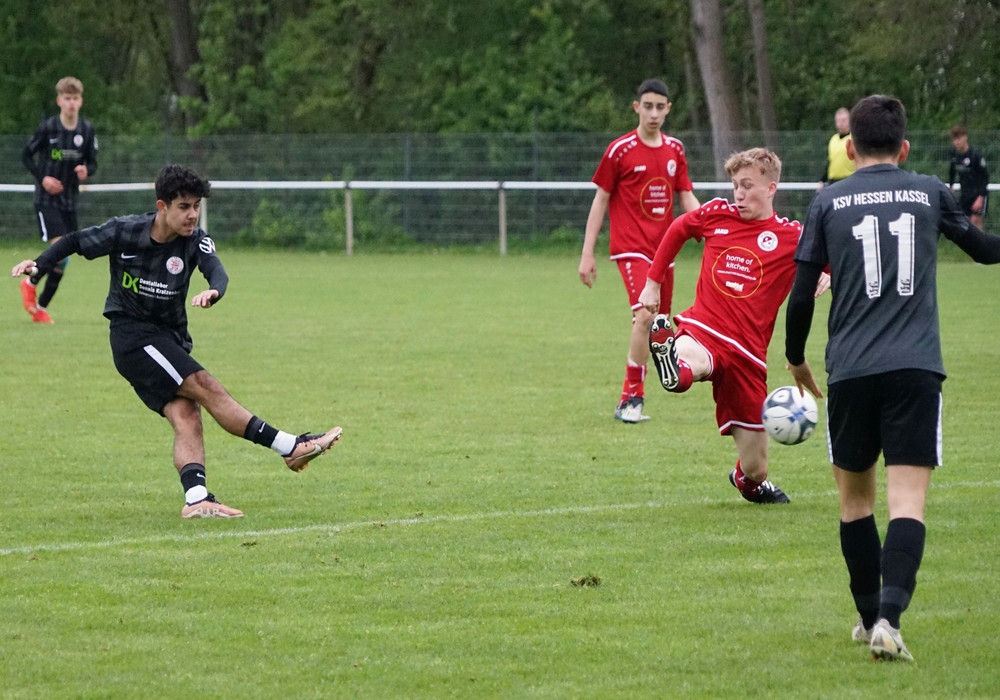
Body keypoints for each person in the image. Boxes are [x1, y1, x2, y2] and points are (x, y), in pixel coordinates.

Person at [784, 95, 1000, 662]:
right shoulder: (929, 189)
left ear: (849, 148)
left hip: (850, 370)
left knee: (855, 504)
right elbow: (982, 251)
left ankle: (866, 616)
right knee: (908, 502)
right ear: (904, 147)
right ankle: (888, 620)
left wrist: (795, 356)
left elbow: (802, 290)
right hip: (915, 368)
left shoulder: (827, 201)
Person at [11, 164, 342, 519]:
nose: (192, 214)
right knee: (206, 385)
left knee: (187, 415)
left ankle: (196, 499)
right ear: (162, 206)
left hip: (167, 339)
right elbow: (74, 241)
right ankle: (289, 446)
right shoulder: (125, 231)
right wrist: (40, 265)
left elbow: (217, 269)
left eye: (196, 206)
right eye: (184, 206)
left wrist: (215, 289)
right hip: (133, 337)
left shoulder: (195, 240)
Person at [638, 148, 827, 504]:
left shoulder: (792, 236)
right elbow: (679, 228)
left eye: (747, 186)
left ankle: (746, 483)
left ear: (771, 188)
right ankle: (672, 363)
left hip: (749, 358)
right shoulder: (716, 214)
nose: (738, 194)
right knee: (692, 361)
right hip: (705, 329)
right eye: (735, 186)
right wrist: (653, 281)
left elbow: (830, 256)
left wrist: (826, 275)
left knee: (757, 467)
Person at [578, 78, 700, 423]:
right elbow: (601, 199)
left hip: (665, 251)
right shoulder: (620, 150)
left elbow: (686, 195)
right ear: (637, 108)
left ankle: (650, 386)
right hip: (630, 248)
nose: (654, 113)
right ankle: (630, 398)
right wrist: (588, 252)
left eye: (660, 107)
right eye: (648, 106)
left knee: (659, 323)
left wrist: (710, 223)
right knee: (645, 315)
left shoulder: (675, 149)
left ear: (668, 109)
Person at [19, 76, 99, 324]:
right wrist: (43, 178)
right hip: (47, 199)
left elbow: (92, 162)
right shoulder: (49, 128)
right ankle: (30, 282)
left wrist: (87, 171)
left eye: (75, 98)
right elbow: (26, 155)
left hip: (69, 201)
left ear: (81, 101)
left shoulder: (86, 130)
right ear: (59, 101)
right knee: (61, 250)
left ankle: (40, 307)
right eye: (67, 98)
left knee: (65, 259)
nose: (71, 103)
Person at [948, 124, 989, 229]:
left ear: (965, 137)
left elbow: (985, 177)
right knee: (966, 226)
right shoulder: (954, 155)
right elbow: (952, 171)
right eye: (954, 139)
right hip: (965, 194)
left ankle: (980, 245)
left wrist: (980, 197)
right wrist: (951, 187)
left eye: (959, 139)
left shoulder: (975, 155)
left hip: (978, 194)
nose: (956, 142)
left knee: (975, 224)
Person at [818, 107, 855, 190]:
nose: (841, 123)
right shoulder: (833, 139)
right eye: (838, 121)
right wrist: (822, 180)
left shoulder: (854, 138)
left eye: (843, 120)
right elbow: (830, 162)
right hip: (833, 181)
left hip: (849, 180)